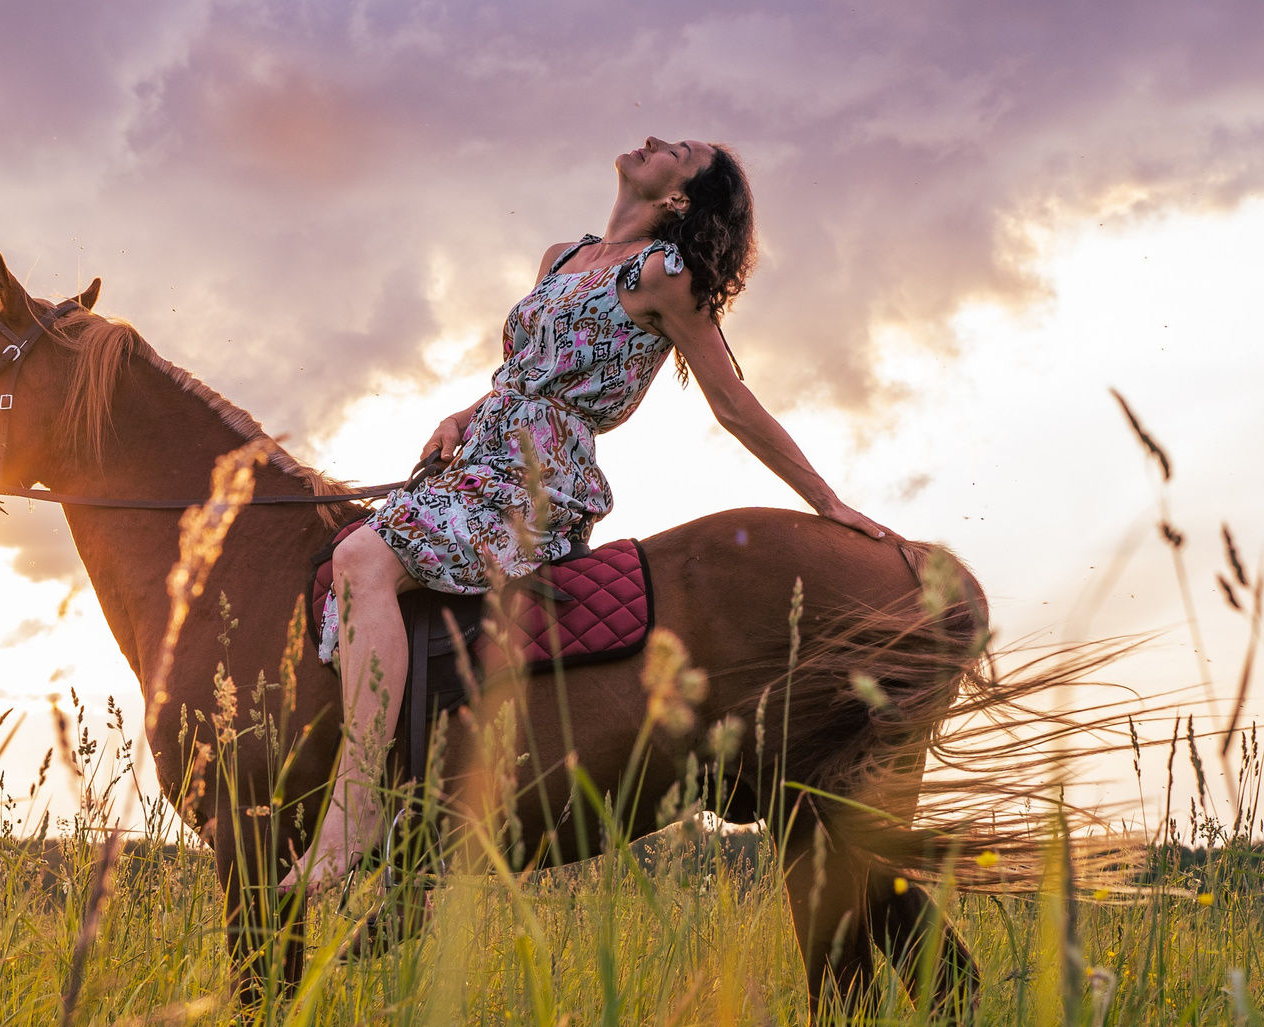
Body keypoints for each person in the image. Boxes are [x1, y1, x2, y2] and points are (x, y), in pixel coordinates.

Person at [284, 137, 896, 891]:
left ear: (679, 199)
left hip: (538, 478)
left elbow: (732, 402)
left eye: (681, 150)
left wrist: (826, 500)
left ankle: (357, 808)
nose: (655, 141)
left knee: (359, 560)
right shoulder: (559, 256)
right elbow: (521, 373)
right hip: (480, 454)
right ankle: (422, 815)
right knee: (362, 566)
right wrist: (463, 412)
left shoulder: (664, 275)